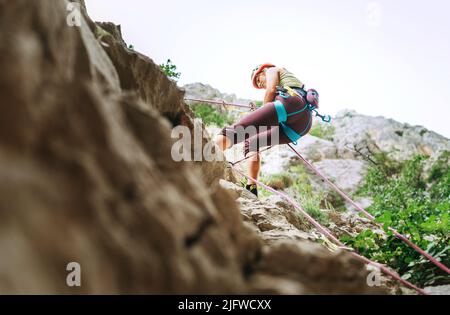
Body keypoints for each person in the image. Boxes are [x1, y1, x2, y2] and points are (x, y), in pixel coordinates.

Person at [214, 63, 318, 197]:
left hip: (291, 103)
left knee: (235, 132)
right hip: (299, 127)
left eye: (258, 79)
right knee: (251, 143)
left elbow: (271, 89)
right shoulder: (291, 81)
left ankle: (203, 157)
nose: (260, 84)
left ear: (263, 71)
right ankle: (252, 187)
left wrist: (262, 110)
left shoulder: (272, 70)